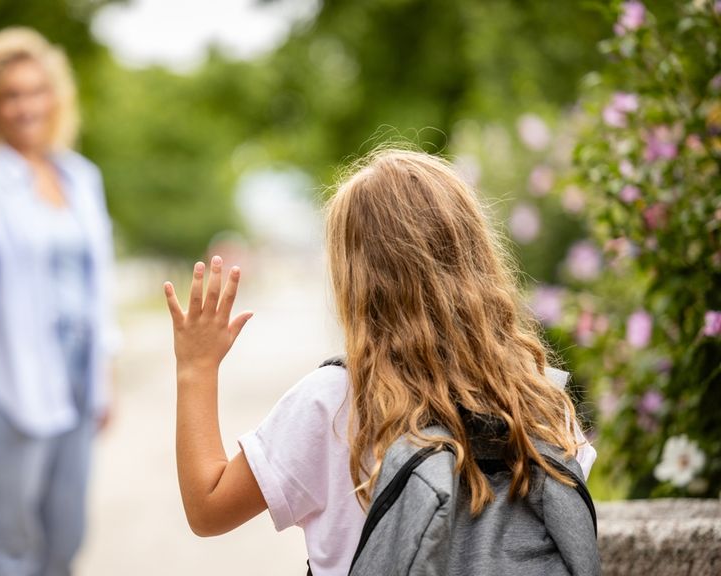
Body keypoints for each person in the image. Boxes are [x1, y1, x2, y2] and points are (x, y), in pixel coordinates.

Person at [164, 148, 597, 575]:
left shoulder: (333, 403)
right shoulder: (541, 398)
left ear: (353, 279)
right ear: (476, 256)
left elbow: (208, 509)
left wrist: (196, 367)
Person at [0, 27, 118, 576]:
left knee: (65, 540)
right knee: (8, 548)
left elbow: (97, 287)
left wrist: (104, 379)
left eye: (36, 91)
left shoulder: (81, 178)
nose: (25, 106)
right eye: (11, 95)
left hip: (76, 386)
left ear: (55, 97)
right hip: (4, 386)